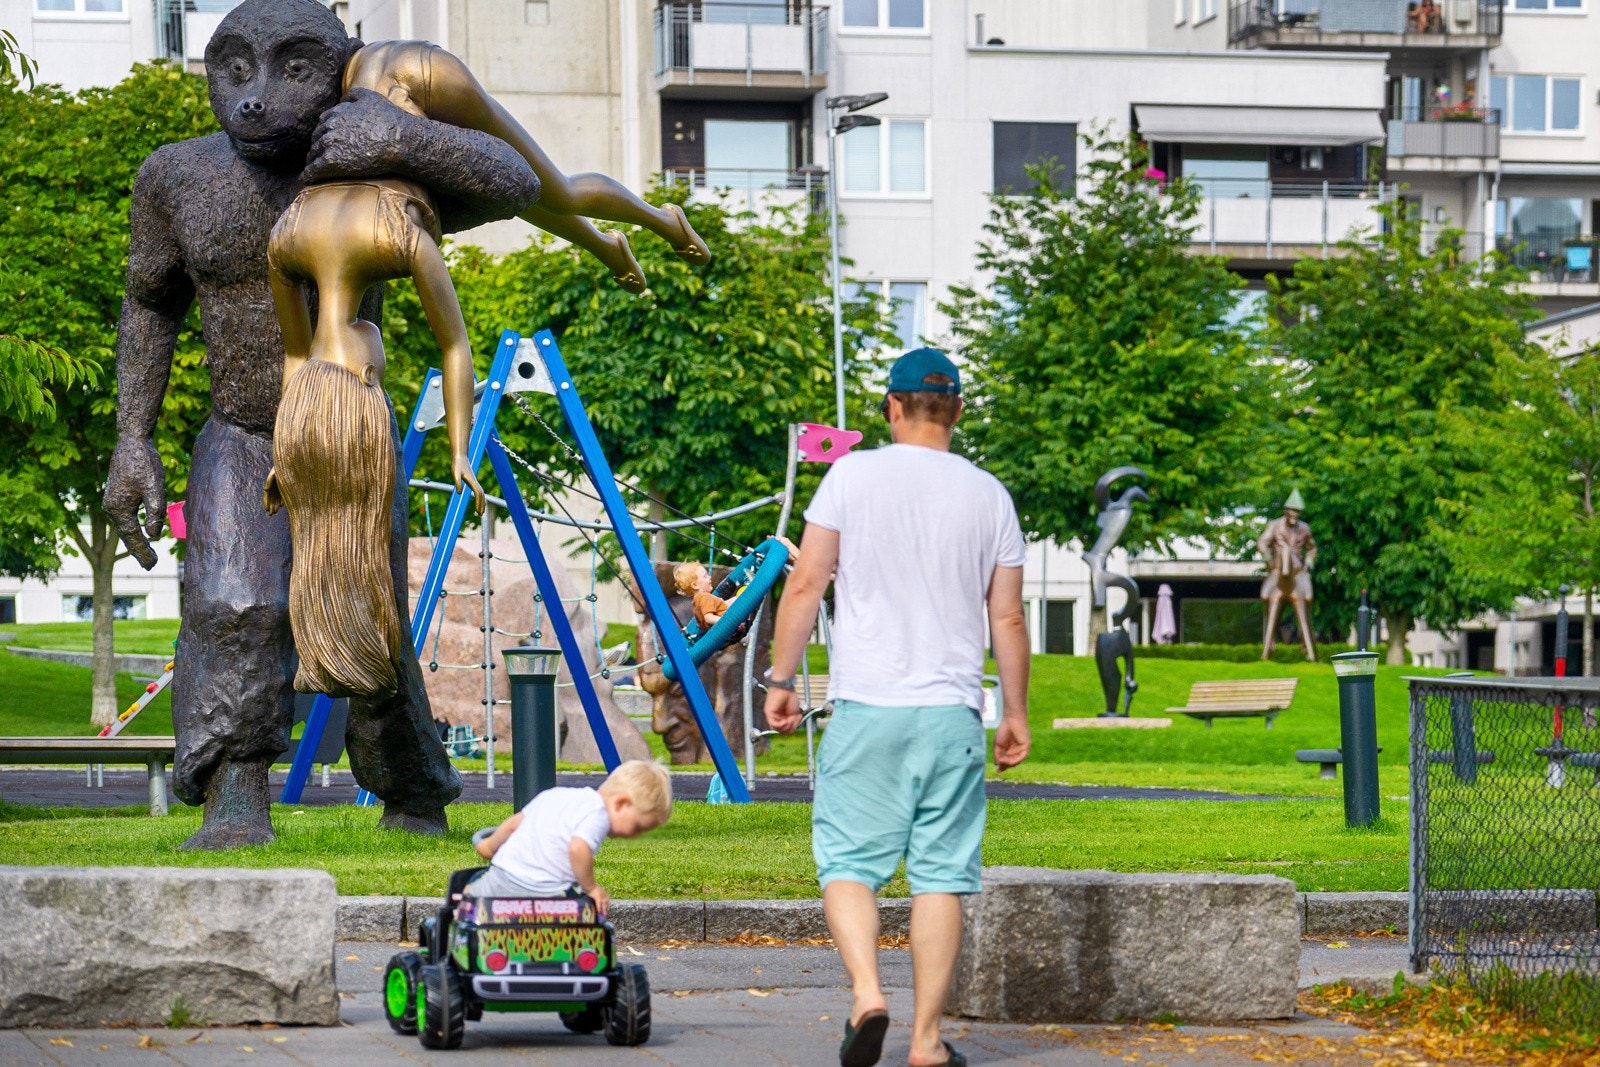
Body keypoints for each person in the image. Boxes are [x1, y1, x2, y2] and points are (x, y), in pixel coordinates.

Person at [764, 348, 1032, 1067]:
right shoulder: (991, 496)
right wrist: (1016, 710)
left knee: (848, 861)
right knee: (943, 873)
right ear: (959, 411)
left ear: (891, 406)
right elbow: (1006, 618)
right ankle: (925, 1042)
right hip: (950, 710)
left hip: (867, 704)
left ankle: (865, 994)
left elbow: (807, 581)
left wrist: (780, 677)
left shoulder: (851, 475)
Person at [264, 175, 486, 699]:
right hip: (315, 411)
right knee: (347, 537)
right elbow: (453, 346)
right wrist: (459, 451)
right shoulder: (391, 236)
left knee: (330, 534)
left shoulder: (294, 235)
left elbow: (297, 356)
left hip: (303, 410)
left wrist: (287, 451)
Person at [339, 40, 710, 293]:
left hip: (422, 83)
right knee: (519, 189)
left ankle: (662, 220)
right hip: (422, 64)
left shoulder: (339, 106)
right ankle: (607, 248)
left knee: (556, 191)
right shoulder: (346, 69)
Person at [468, 760, 673, 915]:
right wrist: (591, 888)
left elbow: (513, 824)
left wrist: (488, 846)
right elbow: (578, 848)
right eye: (637, 827)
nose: (634, 836)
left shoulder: (554, 794)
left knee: (468, 897)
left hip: (503, 875)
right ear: (620, 804)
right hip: (547, 894)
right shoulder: (598, 812)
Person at [673, 560, 734, 629]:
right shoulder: (705, 597)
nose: (709, 577)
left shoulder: (697, 602)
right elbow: (708, 618)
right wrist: (729, 622)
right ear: (695, 585)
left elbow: (722, 606)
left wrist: (736, 598)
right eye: (705, 576)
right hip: (730, 627)